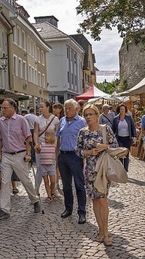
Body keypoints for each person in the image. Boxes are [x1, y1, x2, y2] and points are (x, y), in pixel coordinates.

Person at [0, 98, 41, 221]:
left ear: (13, 108)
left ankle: (35, 200)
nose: (3, 110)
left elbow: (28, 138)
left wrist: (29, 154)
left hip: (20, 154)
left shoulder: (21, 120)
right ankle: (4, 209)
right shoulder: (0, 122)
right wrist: (0, 152)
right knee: (5, 182)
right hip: (6, 155)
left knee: (25, 180)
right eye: (2, 108)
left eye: (5, 108)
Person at [77, 104, 118, 245]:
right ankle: (100, 230)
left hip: (103, 169)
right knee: (95, 200)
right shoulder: (83, 132)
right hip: (89, 170)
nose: (88, 117)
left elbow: (115, 146)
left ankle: (106, 233)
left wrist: (105, 147)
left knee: (103, 200)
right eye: (86, 115)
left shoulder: (105, 130)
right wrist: (88, 152)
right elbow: (78, 151)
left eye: (90, 114)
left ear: (97, 115)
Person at [57, 99, 88, 224]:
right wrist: (56, 155)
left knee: (79, 185)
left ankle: (81, 212)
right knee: (66, 185)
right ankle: (68, 208)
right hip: (63, 156)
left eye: (69, 108)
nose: (67, 110)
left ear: (76, 109)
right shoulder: (62, 121)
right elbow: (58, 138)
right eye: (65, 108)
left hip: (76, 156)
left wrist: (84, 157)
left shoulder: (81, 122)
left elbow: (86, 140)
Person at [33, 101, 59, 195]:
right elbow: (36, 133)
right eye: (39, 107)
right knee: (39, 168)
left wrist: (55, 146)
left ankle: (54, 189)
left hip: (52, 147)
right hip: (41, 147)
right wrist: (36, 144)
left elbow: (57, 133)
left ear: (47, 107)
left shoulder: (55, 119)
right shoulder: (37, 119)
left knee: (53, 167)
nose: (40, 108)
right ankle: (36, 189)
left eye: (42, 106)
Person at [111, 104, 136, 172]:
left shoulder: (129, 118)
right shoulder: (115, 118)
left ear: (125, 110)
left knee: (126, 154)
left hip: (127, 138)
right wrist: (111, 138)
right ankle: (121, 169)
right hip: (119, 138)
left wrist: (134, 137)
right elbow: (113, 129)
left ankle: (125, 170)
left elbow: (133, 128)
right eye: (121, 109)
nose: (122, 111)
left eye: (123, 109)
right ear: (119, 110)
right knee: (121, 154)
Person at [39, 130, 58, 200]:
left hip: (51, 165)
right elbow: (38, 151)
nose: (46, 137)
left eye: (48, 136)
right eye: (45, 136)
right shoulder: (42, 144)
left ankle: (51, 190)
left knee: (53, 181)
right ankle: (49, 195)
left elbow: (57, 137)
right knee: (46, 181)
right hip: (43, 165)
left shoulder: (54, 145)